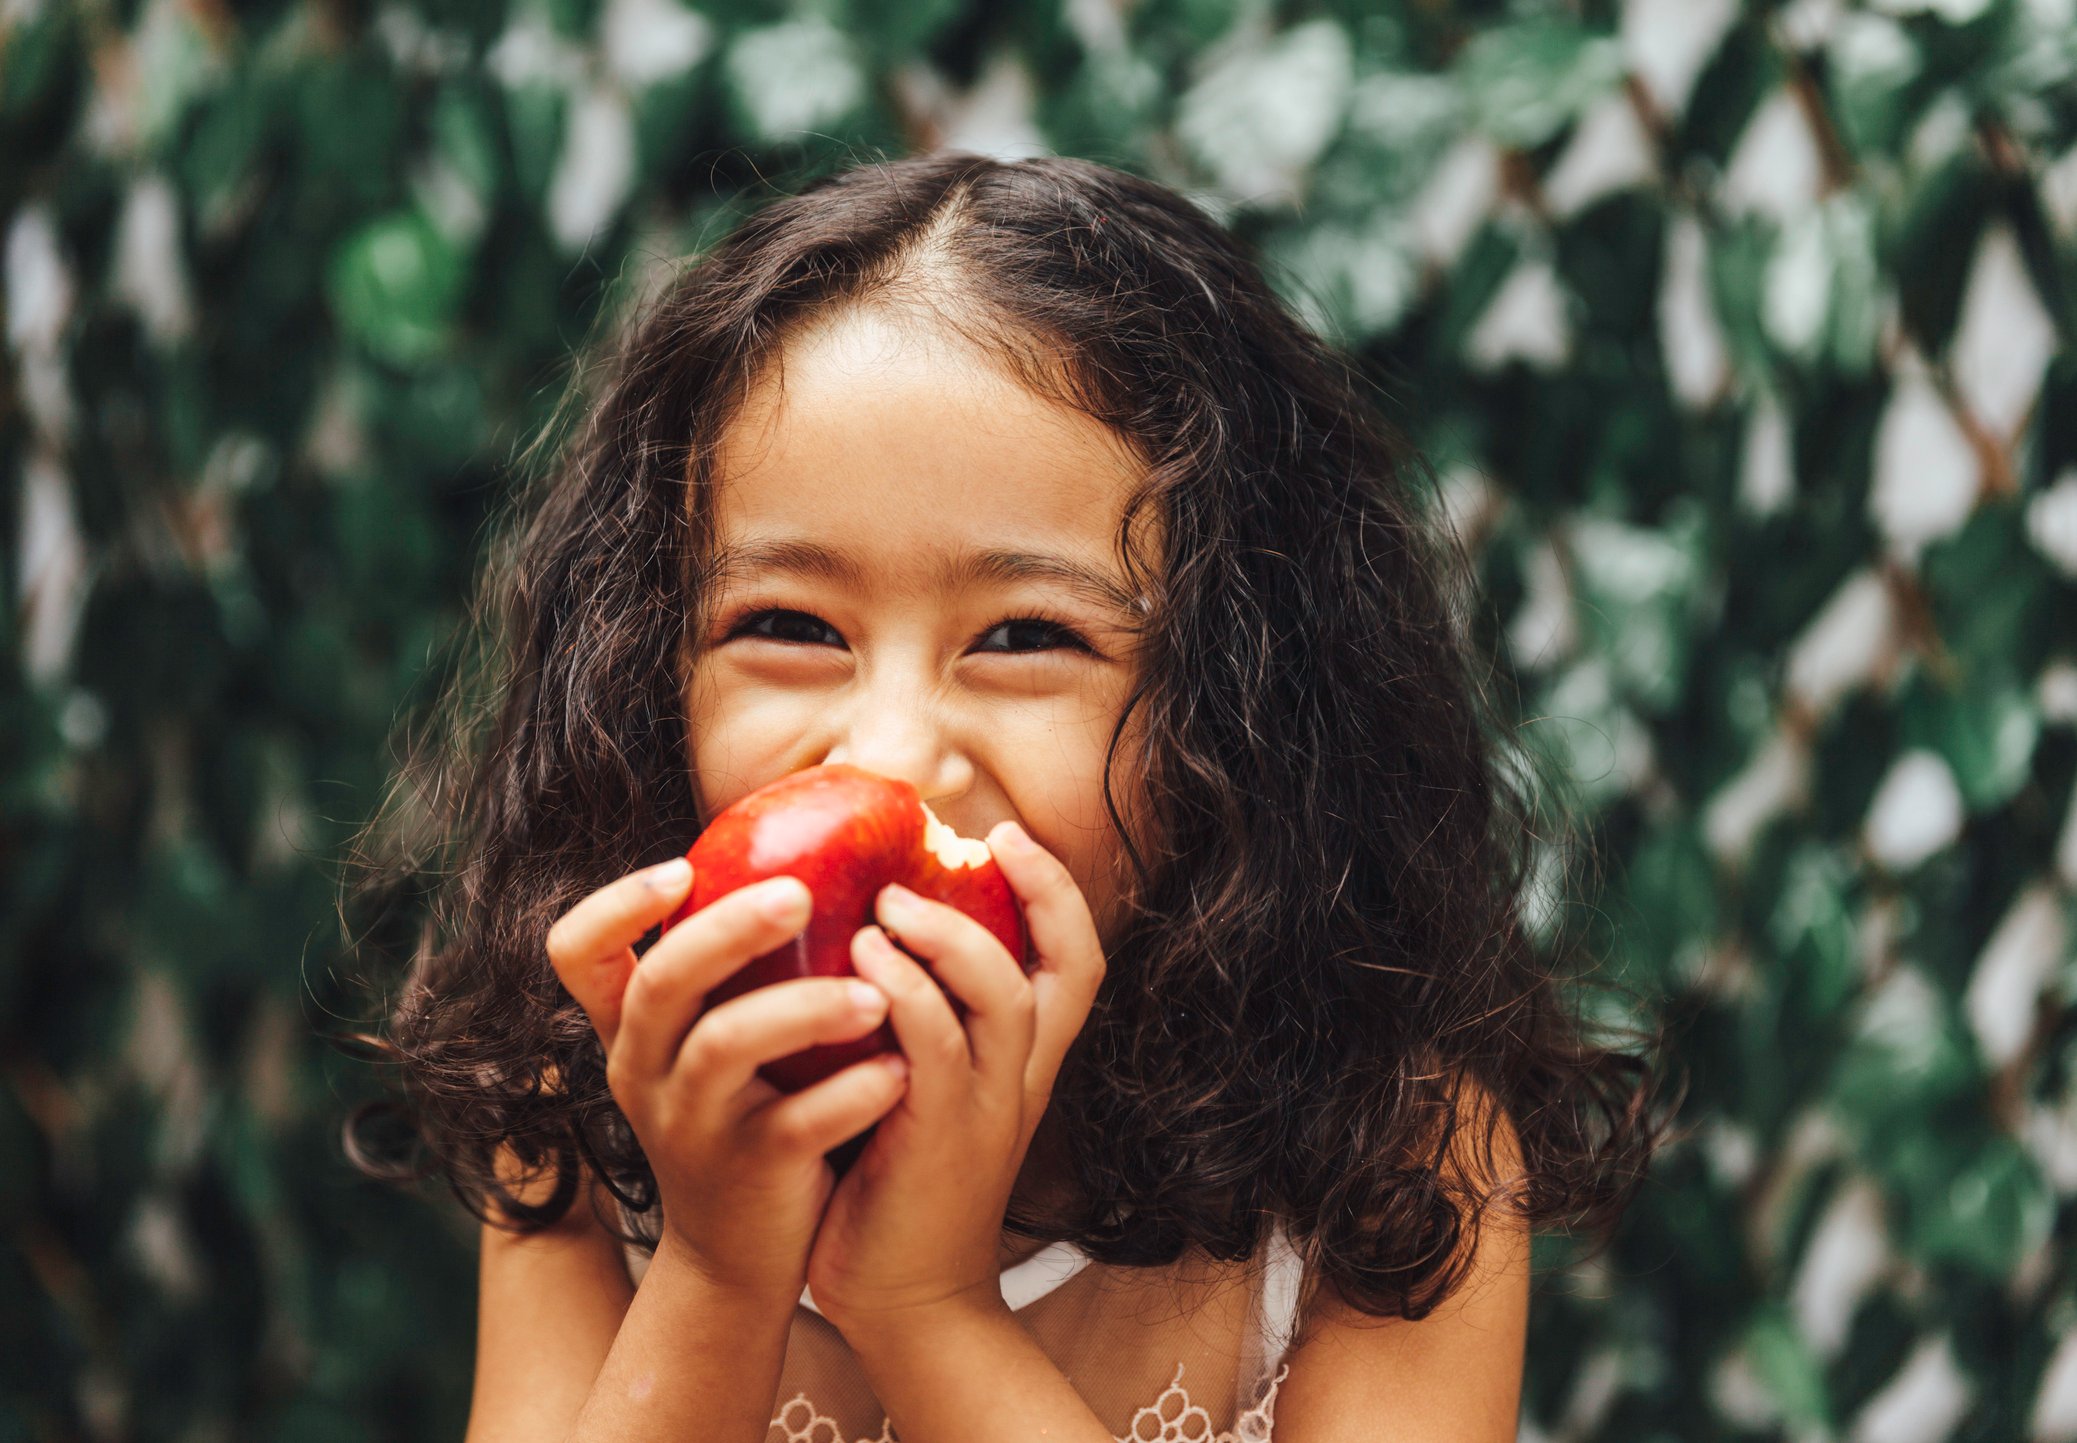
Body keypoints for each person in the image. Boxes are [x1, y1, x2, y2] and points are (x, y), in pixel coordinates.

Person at [342, 150, 1675, 1442]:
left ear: (1246, 709)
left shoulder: (1396, 1159)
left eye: (1026, 637)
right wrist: (715, 1270)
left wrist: (924, 1311)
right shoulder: (585, 1114)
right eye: (790, 625)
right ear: (648, 678)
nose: (892, 751)